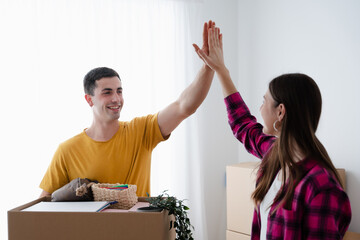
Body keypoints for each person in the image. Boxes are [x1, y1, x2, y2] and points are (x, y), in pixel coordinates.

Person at [193, 23, 352, 239]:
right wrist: (221, 70)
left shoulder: (321, 186)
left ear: (280, 112)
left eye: (264, 101)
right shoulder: (275, 154)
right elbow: (242, 124)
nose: (259, 108)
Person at [39, 21, 217, 198]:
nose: (116, 98)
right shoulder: (67, 150)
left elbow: (184, 107)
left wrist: (208, 66)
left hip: (136, 227)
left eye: (119, 91)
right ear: (89, 99)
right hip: (91, 228)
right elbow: (43, 203)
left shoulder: (141, 131)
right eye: (107, 92)